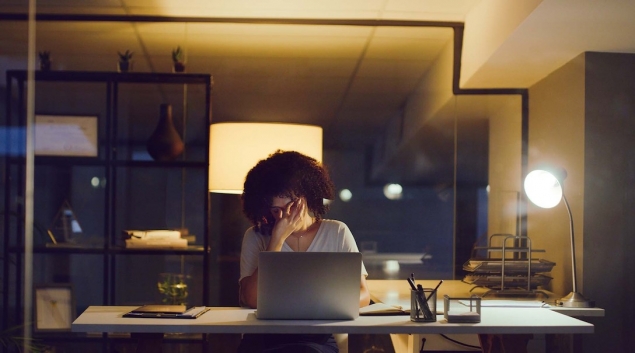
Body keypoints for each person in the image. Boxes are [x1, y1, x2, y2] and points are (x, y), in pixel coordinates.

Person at [237, 150, 370, 353]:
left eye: (290, 206)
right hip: (264, 335)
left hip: (316, 336)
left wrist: (318, 307)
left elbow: (363, 294)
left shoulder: (337, 231)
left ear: (307, 197)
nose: (284, 216)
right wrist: (277, 239)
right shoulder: (255, 236)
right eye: (275, 210)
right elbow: (251, 299)